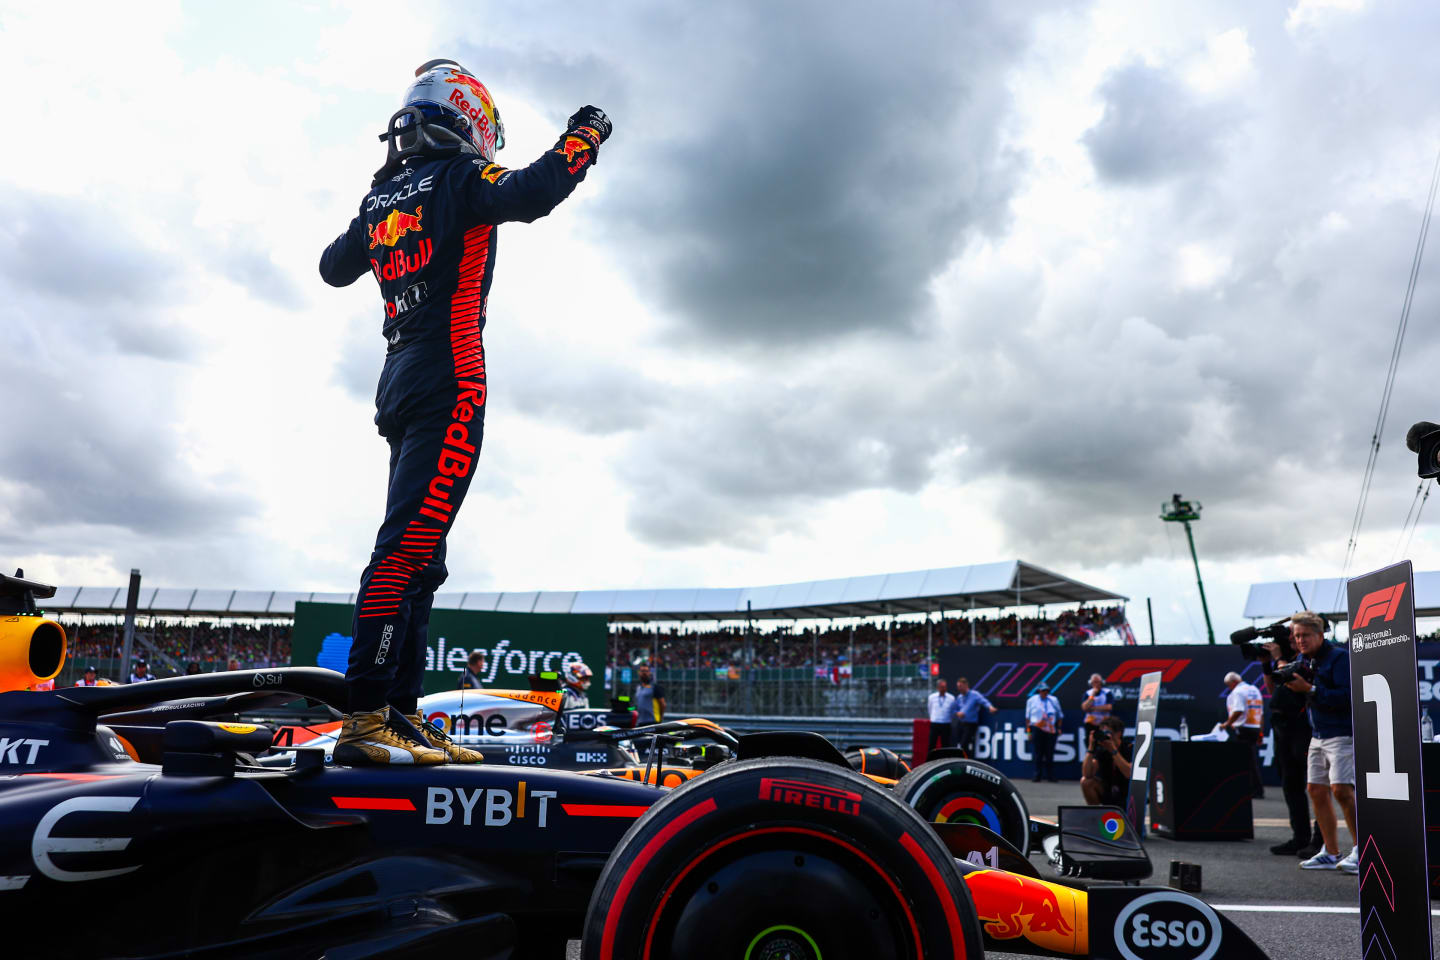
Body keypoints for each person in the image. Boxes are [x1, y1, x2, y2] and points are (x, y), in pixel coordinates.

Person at [319, 58, 609, 766]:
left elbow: (332, 266)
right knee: (407, 551)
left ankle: (399, 715)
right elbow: (535, 191)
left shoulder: (381, 196)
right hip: (452, 376)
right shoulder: (459, 178)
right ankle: (365, 717)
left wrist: (381, 207)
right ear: (471, 122)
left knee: (423, 557)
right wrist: (588, 133)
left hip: (397, 378)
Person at [1287, 611, 1358, 873]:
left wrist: (1311, 690)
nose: (1301, 641)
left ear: (1320, 634)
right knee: (1315, 790)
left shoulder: (1339, 658)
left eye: (1305, 635)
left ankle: (1362, 850)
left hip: (1341, 733)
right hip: (1317, 734)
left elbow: (1348, 696)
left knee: (1341, 790)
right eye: (1296, 636)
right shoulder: (1303, 659)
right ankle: (1329, 851)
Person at [1263, 637, 1316, 855]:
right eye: (1293, 636)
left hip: (1302, 726)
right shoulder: (1285, 659)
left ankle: (1320, 841)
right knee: (1290, 785)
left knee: (1316, 786)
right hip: (1282, 727)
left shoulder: (1306, 660)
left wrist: (1279, 659)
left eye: (1299, 636)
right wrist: (1267, 663)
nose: (1296, 640)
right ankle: (1300, 837)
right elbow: (1272, 688)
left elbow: (1294, 682)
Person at [1222, 671, 1265, 799]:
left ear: (1233, 683)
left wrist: (1227, 723)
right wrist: (1261, 733)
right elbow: (1261, 713)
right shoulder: (1254, 689)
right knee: (1250, 760)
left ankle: (1255, 790)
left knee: (1246, 761)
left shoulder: (1238, 692)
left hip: (1244, 729)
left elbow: (1238, 710)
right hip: (1255, 728)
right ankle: (1255, 789)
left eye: (1229, 685)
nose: (1229, 688)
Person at [1080, 716, 1132, 806]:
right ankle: (1094, 815)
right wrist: (1091, 748)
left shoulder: (1129, 748)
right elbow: (1087, 774)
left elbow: (1129, 773)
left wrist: (1113, 751)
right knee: (1086, 782)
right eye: (1102, 733)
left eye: (1108, 732)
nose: (1105, 735)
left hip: (1127, 793)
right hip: (1108, 790)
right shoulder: (1102, 749)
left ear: (1119, 733)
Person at [1024, 682, 1063, 782]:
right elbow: (1028, 718)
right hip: (1037, 729)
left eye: (1046, 690)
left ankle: (1051, 776)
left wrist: (1058, 728)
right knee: (1038, 753)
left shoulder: (1053, 700)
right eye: (1043, 690)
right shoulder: (1031, 700)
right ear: (1039, 691)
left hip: (1050, 729)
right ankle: (1037, 775)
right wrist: (1028, 732)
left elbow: (1060, 715)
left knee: (1050, 753)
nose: (1045, 692)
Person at [951, 677, 997, 756]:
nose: (959, 688)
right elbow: (954, 710)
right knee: (958, 744)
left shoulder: (974, 694)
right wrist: (957, 713)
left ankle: (966, 761)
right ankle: (961, 760)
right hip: (961, 723)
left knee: (964, 744)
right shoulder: (959, 697)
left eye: (960, 686)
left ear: (966, 685)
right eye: (958, 686)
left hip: (970, 724)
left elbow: (984, 701)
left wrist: (990, 707)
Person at [926, 679, 956, 752]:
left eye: (945, 687)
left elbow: (953, 710)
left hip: (946, 723)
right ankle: (930, 760)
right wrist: (933, 718)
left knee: (945, 744)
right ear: (938, 687)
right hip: (935, 723)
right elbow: (929, 708)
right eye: (942, 687)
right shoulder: (932, 697)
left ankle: (945, 760)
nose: (944, 688)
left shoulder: (951, 698)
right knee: (932, 743)